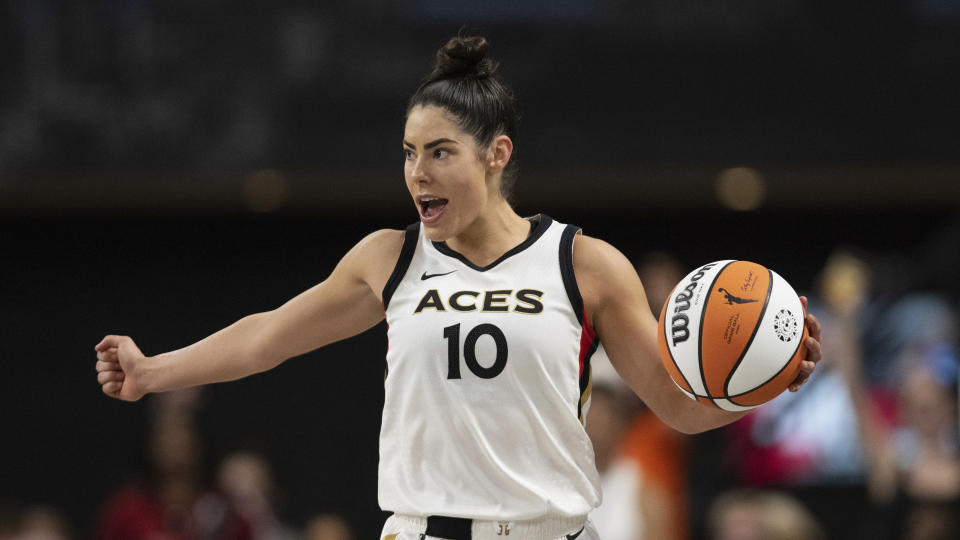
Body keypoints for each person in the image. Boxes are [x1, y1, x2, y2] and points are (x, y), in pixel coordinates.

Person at [94, 34, 823, 540]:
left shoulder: (584, 263)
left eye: (440, 153)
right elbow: (266, 337)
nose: (418, 173)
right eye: (410, 154)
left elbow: (677, 406)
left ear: (495, 156)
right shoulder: (390, 258)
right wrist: (154, 370)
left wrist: (767, 379)